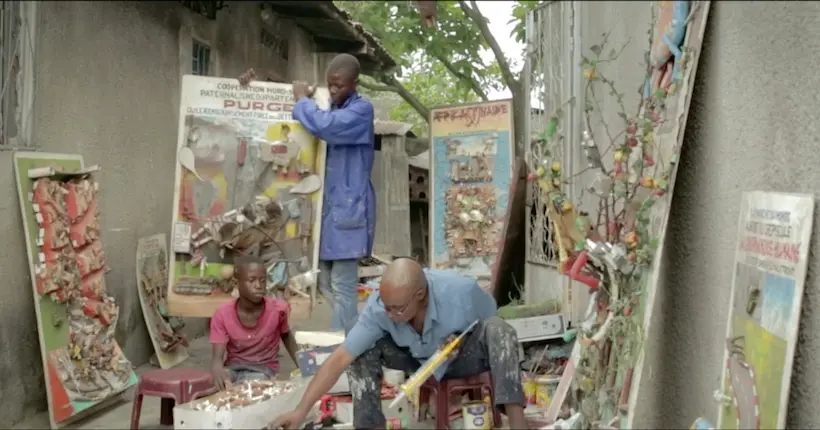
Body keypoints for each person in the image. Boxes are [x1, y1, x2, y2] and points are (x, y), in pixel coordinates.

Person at [269, 259, 529, 429]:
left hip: (459, 357)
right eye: (386, 306)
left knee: (500, 331)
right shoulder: (379, 308)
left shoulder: (460, 292)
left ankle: (517, 423)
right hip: (414, 359)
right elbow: (339, 359)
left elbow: (489, 319)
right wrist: (301, 411)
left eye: (397, 309)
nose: (389, 314)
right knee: (361, 346)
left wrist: (463, 339)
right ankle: (369, 425)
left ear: (420, 295)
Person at [240, 53, 375, 333]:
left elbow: (325, 126)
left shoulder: (361, 110)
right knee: (323, 281)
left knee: (342, 285)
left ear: (355, 83)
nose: (334, 90)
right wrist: (253, 86)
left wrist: (302, 99)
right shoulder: (327, 105)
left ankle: (346, 350)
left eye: (340, 85)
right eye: (330, 85)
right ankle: (356, 339)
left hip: (348, 210)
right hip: (326, 211)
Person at [210, 255, 299, 390]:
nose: (258, 286)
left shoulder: (278, 310)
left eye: (262, 281)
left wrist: (305, 366)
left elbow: (287, 336)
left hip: (264, 371)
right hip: (234, 368)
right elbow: (217, 357)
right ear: (236, 283)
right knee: (212, 386)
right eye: (251, 280)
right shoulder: (223, 314)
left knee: (249, 388)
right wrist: (217, 370)